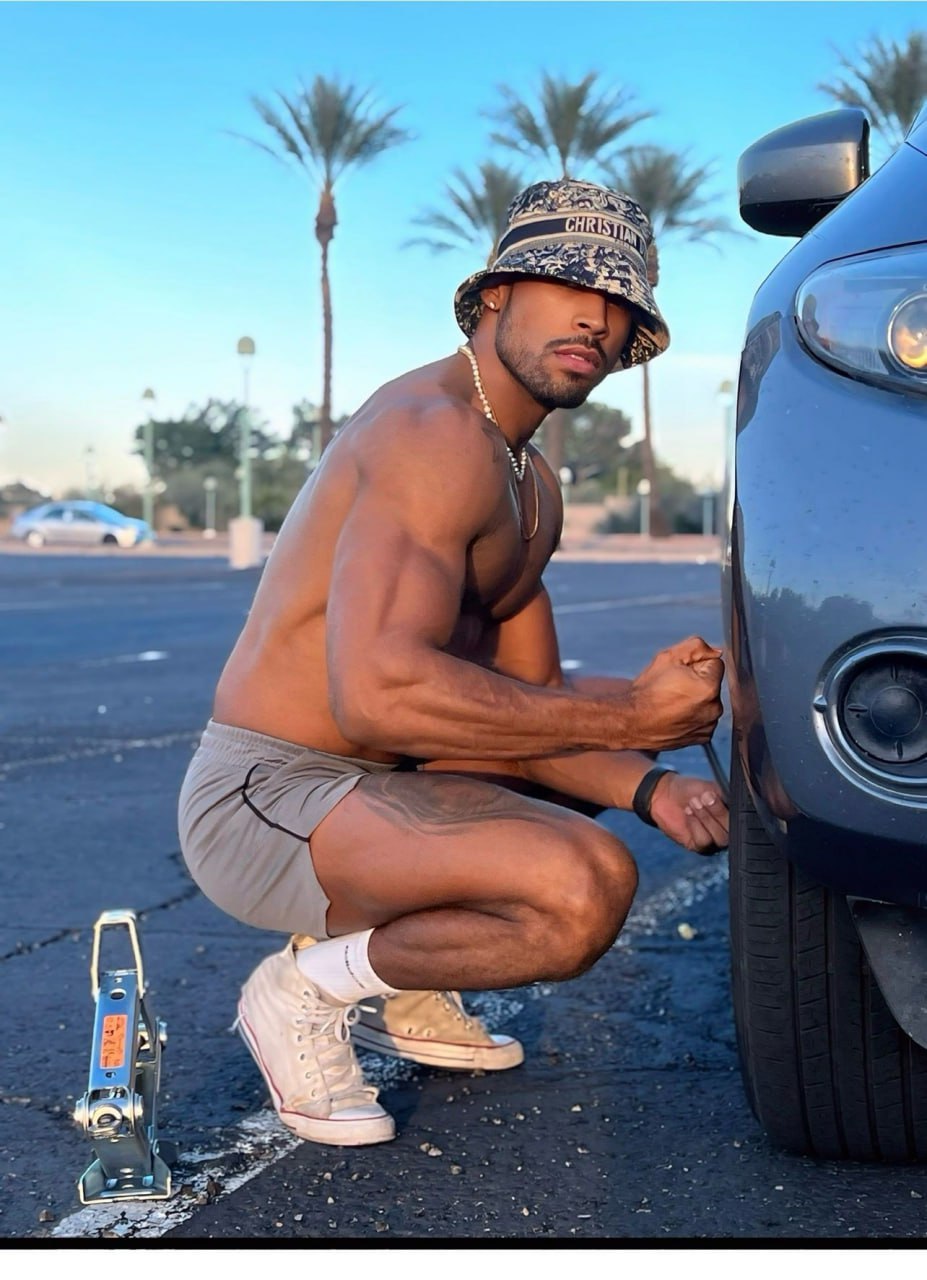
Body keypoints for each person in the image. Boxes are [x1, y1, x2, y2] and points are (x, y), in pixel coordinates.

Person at [177, 178, 728, 1149]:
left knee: (573, 808)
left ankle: (411, 981)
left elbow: (529, 713)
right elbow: (382, 690)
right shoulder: (430, 435)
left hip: (384, 786)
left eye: (619, 304)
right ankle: (305, 988)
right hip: (268, 791)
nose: (595, 319)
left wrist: (656, 788)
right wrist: (634, 720)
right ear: (497, 293)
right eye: (568, 286)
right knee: (581, 885)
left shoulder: (532, 487)